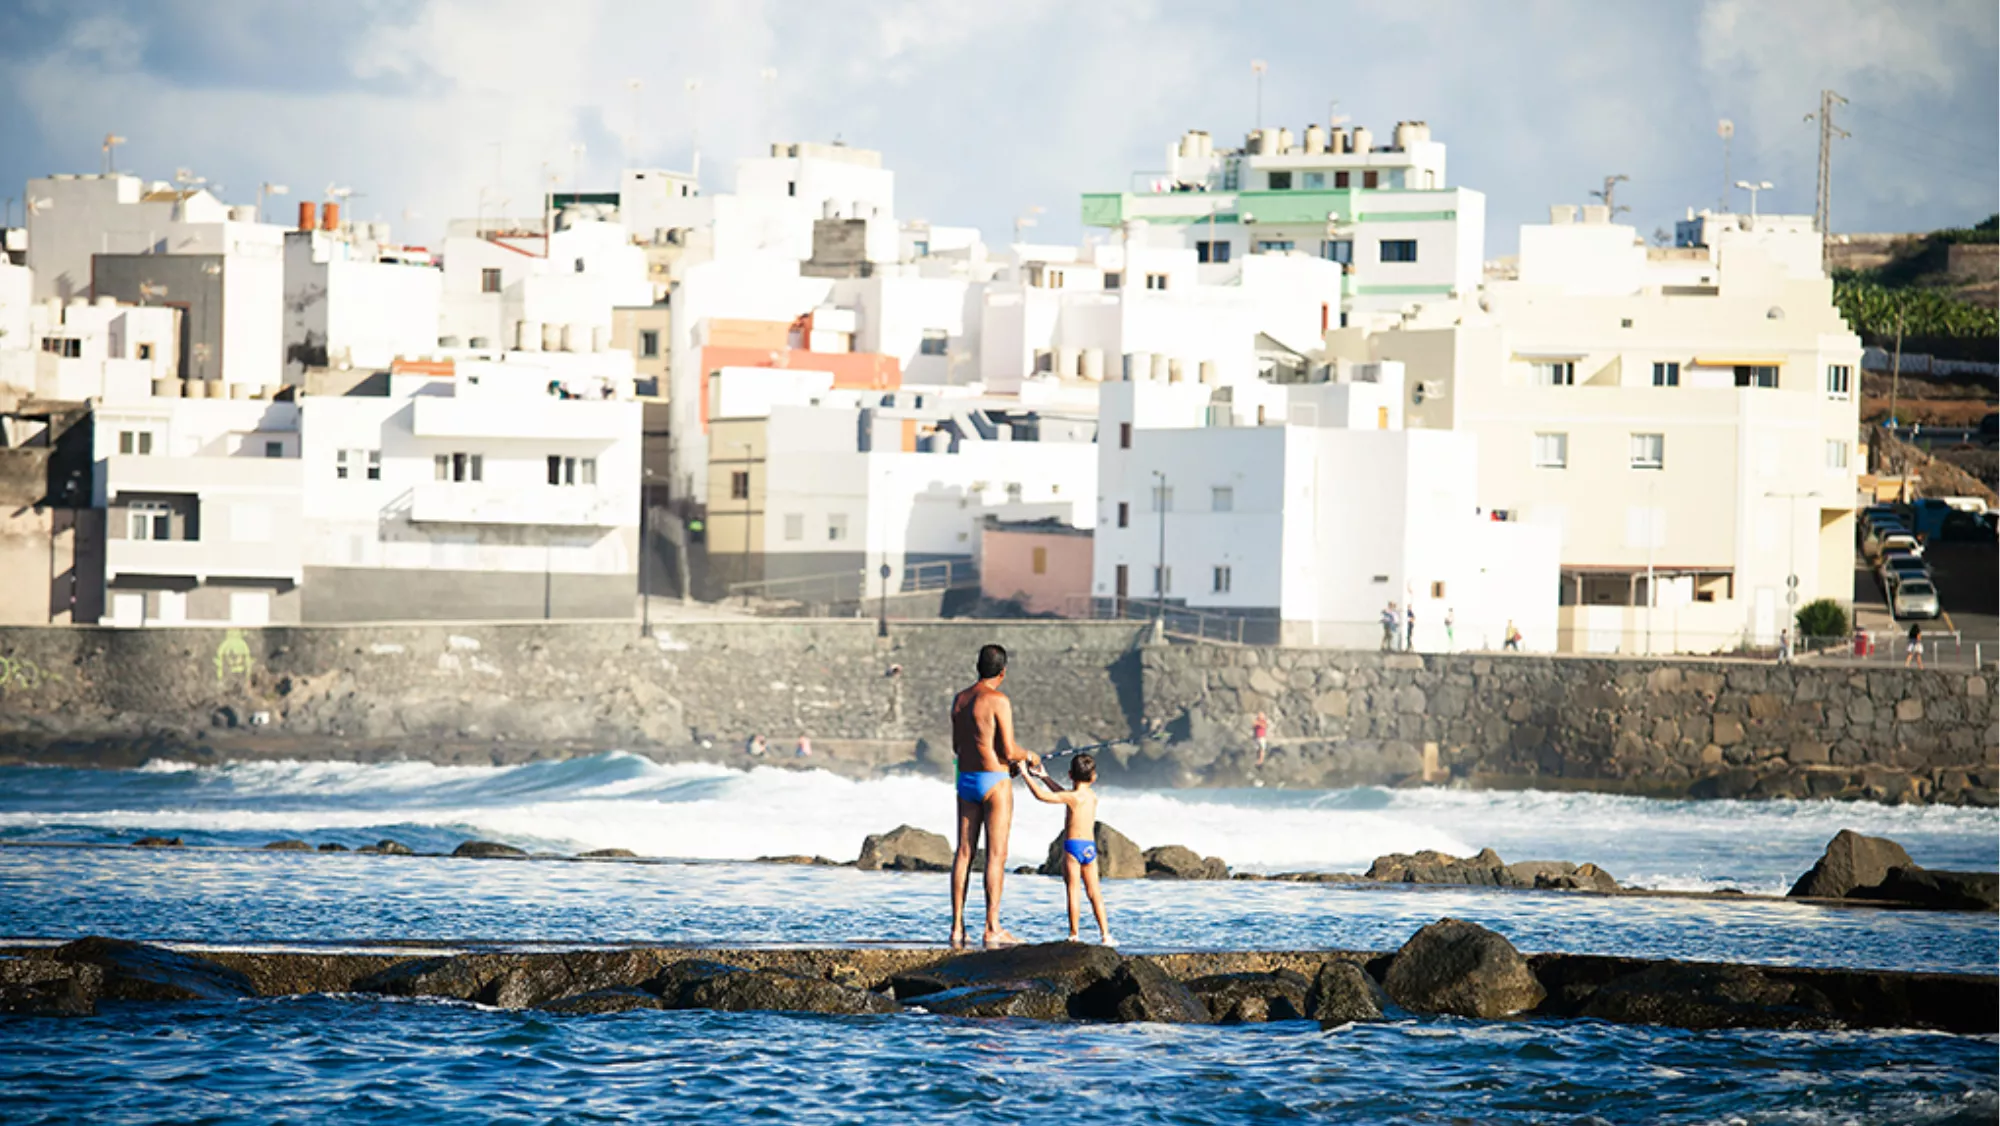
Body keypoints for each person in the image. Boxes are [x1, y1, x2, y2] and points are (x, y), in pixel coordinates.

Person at [949, 643, 1037, 949]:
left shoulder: (960, 700)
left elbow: (957, 747)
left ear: (978, 667)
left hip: (966, 779)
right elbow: (1010, 750)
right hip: (995, 781)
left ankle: (957, 926)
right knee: (996, 855)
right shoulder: (998, 700)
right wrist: (1030, 757)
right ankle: (992, 927)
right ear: (1003, 672)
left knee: (964, 852)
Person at [1021, 754, 1114, 946]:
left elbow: (1043, 796)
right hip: (1089, 848)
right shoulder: (1091, 797)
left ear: (1070, 775)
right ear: (1094, 777)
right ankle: (1106, 935)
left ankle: (1074, 934)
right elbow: (1063, 795)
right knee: (1095, 892)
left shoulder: (1071, 797)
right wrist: (1044, 777)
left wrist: (1025, 774)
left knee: (1073, 891)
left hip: (1073, 847)